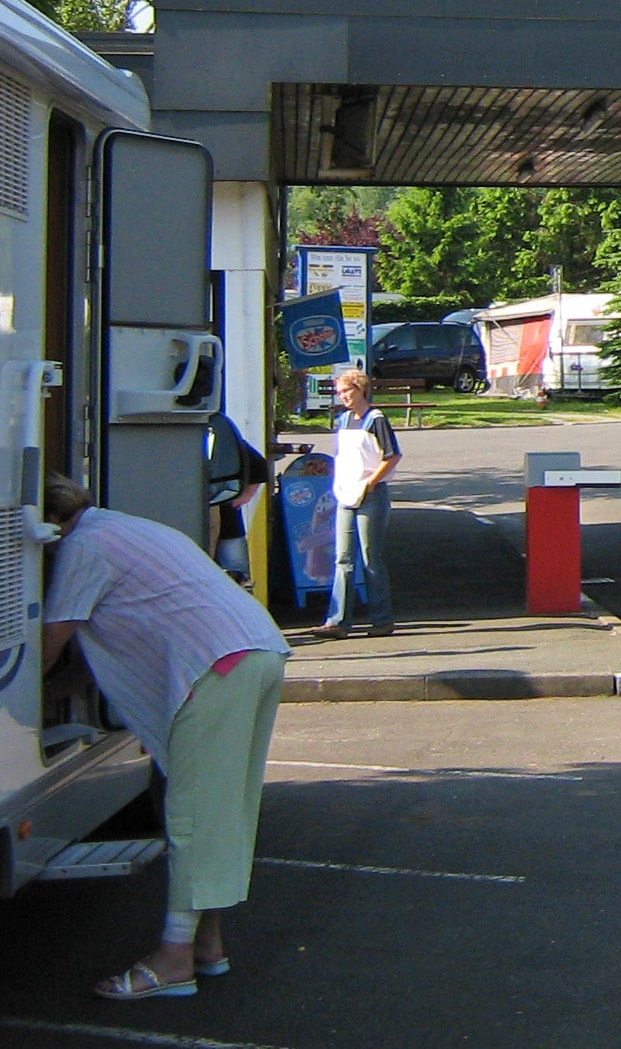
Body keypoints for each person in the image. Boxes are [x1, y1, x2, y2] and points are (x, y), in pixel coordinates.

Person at [39, 473, 291, 1001]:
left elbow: (47, 647)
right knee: (223, 810)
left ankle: (173, 959)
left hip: (215, 667)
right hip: (256, 649)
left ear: (47, 525)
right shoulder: (124, 528)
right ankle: (208, 944)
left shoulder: (80, 548)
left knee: (194, 816)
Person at [311, 367, 399, 639]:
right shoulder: (343, 420)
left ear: (361, 389)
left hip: (370, 495)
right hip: (346, 494)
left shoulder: (376, 419)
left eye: (347, 391)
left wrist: (370, 483)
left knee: (371, 557)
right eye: (340, 392)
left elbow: (392, 456)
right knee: (343, 558)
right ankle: (337, 621)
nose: (344, 397)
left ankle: (382, 620)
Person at [205, 409, 270, 583]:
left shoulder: (219, 436)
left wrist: (244, 495)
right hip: (215, 517)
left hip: (226, 519)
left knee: (237, 575)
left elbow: (259, 466)